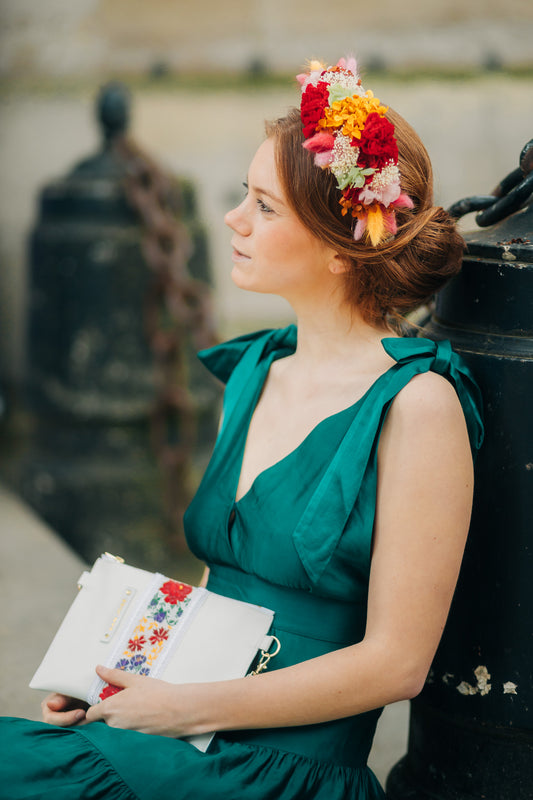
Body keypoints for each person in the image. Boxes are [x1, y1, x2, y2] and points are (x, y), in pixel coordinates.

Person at [0, 56, 483, 799]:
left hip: (286, 771)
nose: (233, 219)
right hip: (182, 728)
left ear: (336, 246)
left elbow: (396, 664)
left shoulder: (417, 406)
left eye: (262, 206)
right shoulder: (254, 372)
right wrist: (120, 683)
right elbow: (218, 588)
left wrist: (181, 708)